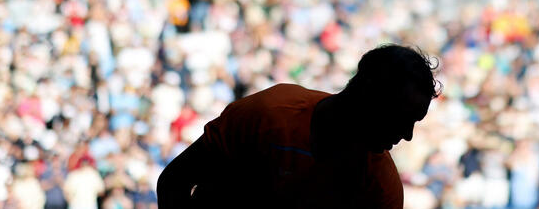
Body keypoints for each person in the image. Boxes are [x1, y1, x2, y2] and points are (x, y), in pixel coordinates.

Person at [156, 44, 440, 208]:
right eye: (401, 118)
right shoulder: (268, 114)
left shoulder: (381, 188)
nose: (408, 135)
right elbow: (175, 182)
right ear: (368, 94)